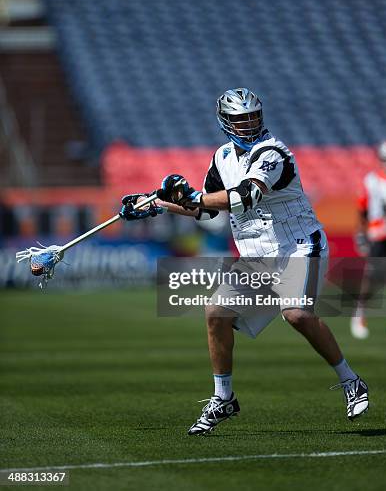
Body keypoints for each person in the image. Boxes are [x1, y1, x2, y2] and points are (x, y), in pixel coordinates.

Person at [120, 88, 369, 435]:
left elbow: (246, 195)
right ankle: (224, 398)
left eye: (253, 116)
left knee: (297, 314)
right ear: (225, 122)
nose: (249, 123)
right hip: (257, 254)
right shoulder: (222, 157)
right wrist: (157, 205)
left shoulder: (273, 152)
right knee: (216, 312)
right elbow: (205, 210)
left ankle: (351, 381)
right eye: (240, 119)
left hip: (297, 245)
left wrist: (190, 195)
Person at [352, 140, 386, 340]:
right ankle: (359, 314)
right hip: (378, 236)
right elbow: (363, 210)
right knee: (372, 279)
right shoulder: (372, 181)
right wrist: (361, 234)